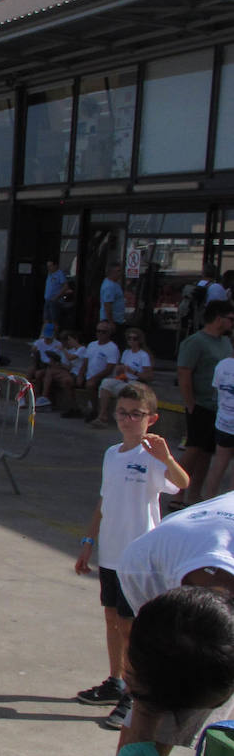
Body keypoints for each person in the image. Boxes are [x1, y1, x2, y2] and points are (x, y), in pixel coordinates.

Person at [104, 496, 234, 756]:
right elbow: (146, 663)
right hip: (169, 562)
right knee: (140, 745)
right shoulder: (144, 563)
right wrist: (141, 735)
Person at [74, 382, 189, 729]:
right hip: (110, 552)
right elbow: (104, 500)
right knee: (112, 618)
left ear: (151, 418)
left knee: (131, 625)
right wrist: (89, 541)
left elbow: (182, 483)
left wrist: (167, 458)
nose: (127, 420)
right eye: (122, 413)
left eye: (136, 414)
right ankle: (116, 681)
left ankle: (135, 691)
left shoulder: (152, 455)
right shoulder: (112, 454)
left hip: (139, 557)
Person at [172, 300, 234, 508]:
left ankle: (195, 495)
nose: (232, 323)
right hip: (200, 405)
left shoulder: (225, 342)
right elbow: (184, 374)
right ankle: (176, 493)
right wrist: (191, 404)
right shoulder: (195, 342)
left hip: (219, 408)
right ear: (218, 318)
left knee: (207, 453)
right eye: (230, 318)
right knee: (193, 450)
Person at [91, 327, 155, 427]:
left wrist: (133, 372)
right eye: (129, 338)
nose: (131, 341)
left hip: (137, 382)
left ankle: (114, 417)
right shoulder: (126, 352)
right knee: (106, 383)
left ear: (139, 340)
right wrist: (120, 370)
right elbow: (122, 371)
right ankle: (102, 415)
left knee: (128, 388)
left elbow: (148, 376)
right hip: (125, 380)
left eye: (134, 338)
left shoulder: (143, 355)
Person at [205, 349, 234, 499]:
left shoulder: (222, 365)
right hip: (225, 422)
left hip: (223, 422)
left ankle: (209, 500)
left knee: (218, 464)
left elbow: (216, 390)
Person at [78, 321, 120, 421]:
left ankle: (95, 410)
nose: (100, 333)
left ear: (109, 333)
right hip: (89, 376)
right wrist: (80, 375)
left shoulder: (112, 348)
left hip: (104, 378)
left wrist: (94, 378)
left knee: (90, 384)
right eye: (98, 331)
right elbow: (85, 362)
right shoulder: (92, 345)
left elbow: (109, 368)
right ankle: (75, 408)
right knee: (68, 380)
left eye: (103, 332)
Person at [29, 323, 66, 409]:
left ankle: (42, 397)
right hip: (40, 364)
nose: (47, 339)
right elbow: (34, 357)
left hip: (51, 366)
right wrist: (34, 353)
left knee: (39, 374)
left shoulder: (58, 344)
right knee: (31, 371)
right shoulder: (38, 342)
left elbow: (58, 360)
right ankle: (26, 395)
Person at [42, 259, 65, 325]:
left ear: (55, 266)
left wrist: (56, 297)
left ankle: (54, 331)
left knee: (54, 320)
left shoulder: (60, 274)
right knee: (46, 319)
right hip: (47, 300)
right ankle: (47, 331)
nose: (49, 268)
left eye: (50, 266)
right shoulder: (50, 274)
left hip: (54, 301)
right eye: (48, 266)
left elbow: (65, 286)